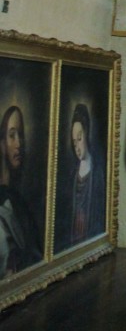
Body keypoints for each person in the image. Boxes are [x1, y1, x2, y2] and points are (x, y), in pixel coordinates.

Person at [0, 105, 42, 278]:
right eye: (12, 135)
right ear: (2, 145)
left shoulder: (20, 200)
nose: (19, 144)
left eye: (21, 135)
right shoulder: (3, 203)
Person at [69, 103, 105, 245]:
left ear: (87, 133)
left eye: (79, 139)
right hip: (74, 231)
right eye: (74, 142)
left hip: (91, 230)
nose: (77, 147)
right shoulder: (73, 173)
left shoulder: (97, 171)